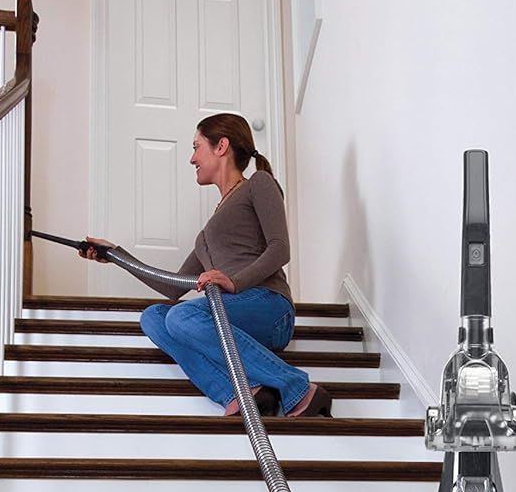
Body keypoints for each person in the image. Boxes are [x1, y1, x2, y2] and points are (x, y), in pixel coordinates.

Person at [83, 114, 331, 418]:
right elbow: (171, 286)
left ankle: (296, 386)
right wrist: (116, 255)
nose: (191, 158)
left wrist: (234, 282)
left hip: (269, 309)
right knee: (154, 317)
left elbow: (280, 249)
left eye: (196, 147)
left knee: (183, 316)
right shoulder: (208, 233)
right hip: (231, 314)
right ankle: (243, 391)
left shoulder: (258, 185)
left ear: (221, 146)